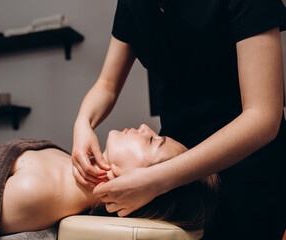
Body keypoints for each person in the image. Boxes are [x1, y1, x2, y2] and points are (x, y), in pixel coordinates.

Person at [71, 0, 286, 239]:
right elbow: (107, 86)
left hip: (246, 168)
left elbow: (263, 117)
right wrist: (83, 123)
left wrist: (156, 181)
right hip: (173, 173)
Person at [0, 124, 218, 235]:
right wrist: (83, 122)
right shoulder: (62, 167)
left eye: (152, 140)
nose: (145, 127)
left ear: (139, 188)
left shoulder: (35, 192)